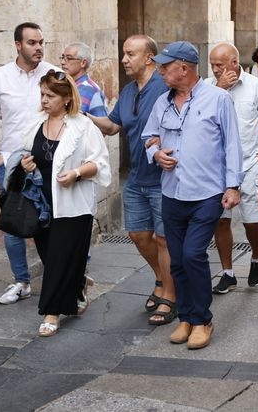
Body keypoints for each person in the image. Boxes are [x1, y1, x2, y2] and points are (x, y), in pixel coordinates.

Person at [142, 41, 243, 350]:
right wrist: (157, 153)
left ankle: (202, 320)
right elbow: (148, 137)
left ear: (183, 68)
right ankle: (185, 318)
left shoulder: (219, 99)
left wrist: (233, 185)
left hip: (207, 193)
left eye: (164, 66)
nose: (159, 71)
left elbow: (232, 145)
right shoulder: (162, 102)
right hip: (172, 193)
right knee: (177, 261)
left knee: (193, 254)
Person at [87, 35, 175, 325]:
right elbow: (113, 126)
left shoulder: (165, 87)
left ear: (148, 57)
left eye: (130, 54)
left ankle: (170, 297)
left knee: (164, 239)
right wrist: (83, 114)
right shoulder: (127, 92)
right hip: (137, 177)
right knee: (138, 235)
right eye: (124, 54)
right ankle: (163, 279)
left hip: (164, 177)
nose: (124, 59)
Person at [16, 70, 110, 337]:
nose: (44, 100)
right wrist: (27, 164)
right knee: (50, 257)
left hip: (72, 205)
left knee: (58, 260)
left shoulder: (83, 126)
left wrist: (76, 173)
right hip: (41, 204)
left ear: (67, 98)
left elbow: (100, 163)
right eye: (42, 94)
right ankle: (78, 282)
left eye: (50, 95)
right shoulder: (36, 123)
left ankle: (51, 313)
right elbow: (27, 156)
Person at [0, 22, 59, 305]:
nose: (38, 47)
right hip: (11, 163)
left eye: (41, 42)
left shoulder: (53, 74)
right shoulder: (0, 76)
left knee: (51, 219)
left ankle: (58, 279)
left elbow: (68, 114)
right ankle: (21, 281)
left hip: (47, 162)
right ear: (18, 45)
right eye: (32, 43)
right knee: (13, 220)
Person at [207, 42, 258, 295]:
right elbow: (200, 118)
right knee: (221, 221)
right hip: (217, 168)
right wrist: (218, 89)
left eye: (219, 65)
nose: (215, 69)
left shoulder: (256, 87)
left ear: (234, 63)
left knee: (251, 221)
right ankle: (228, 272)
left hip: (249, 164)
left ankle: (256, 256)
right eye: (212, 65)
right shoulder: (207, 87)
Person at [60, 42, 107, 116]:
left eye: (69, 58)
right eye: (62, 57)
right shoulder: (61, 85)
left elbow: (101, 123)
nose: (62, 62)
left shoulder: (92, 91)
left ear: (83, 63)